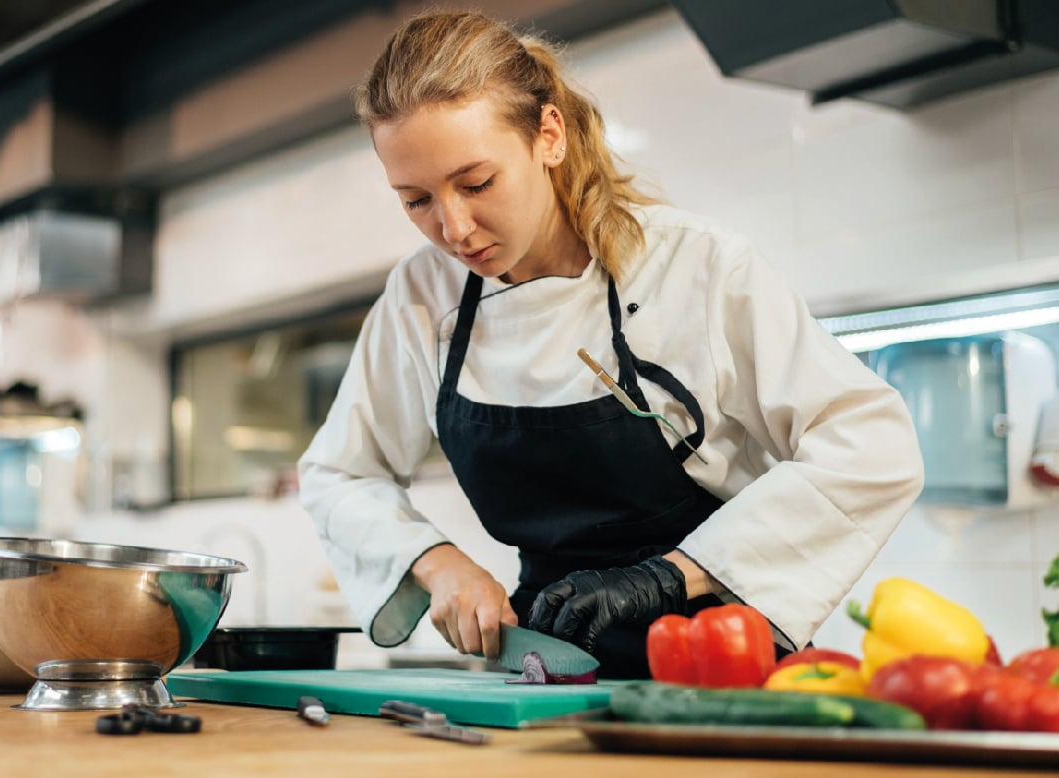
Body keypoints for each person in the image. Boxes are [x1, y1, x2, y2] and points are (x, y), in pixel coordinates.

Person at [297, 10, 924, 679]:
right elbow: (340, 473)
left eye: (477, 183)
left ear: (548, 135)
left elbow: (870, 445)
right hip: (541, 671)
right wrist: (436, 562)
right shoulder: (422, 296)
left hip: (716, 664)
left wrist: (665, 579)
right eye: (415, 200)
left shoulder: (696, 267)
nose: (453, 226)